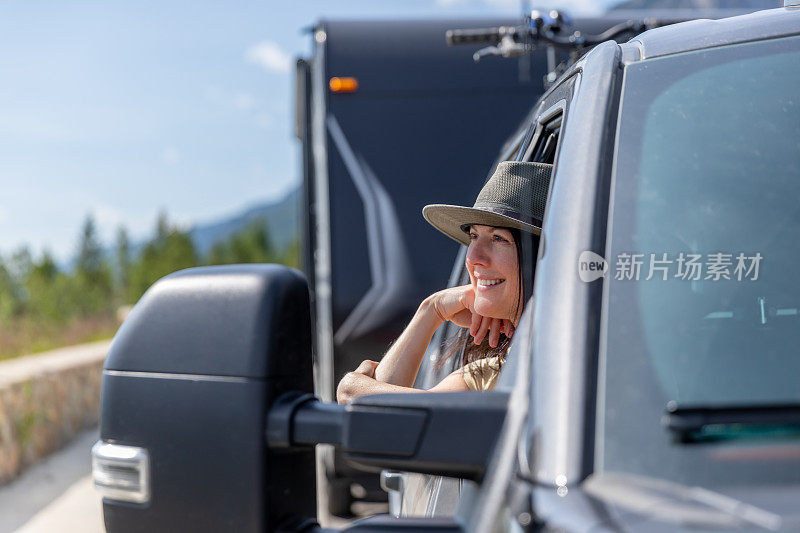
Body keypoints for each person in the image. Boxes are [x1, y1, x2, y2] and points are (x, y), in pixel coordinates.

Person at [336, 161, 552, 404]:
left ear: (544, 255)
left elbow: (381, 416)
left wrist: (350, 388)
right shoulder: (488, 374)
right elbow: (385, 424)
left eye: (498, 239)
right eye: (473, 236)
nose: (473, 257)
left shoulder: (564, 362)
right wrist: (432, 307)